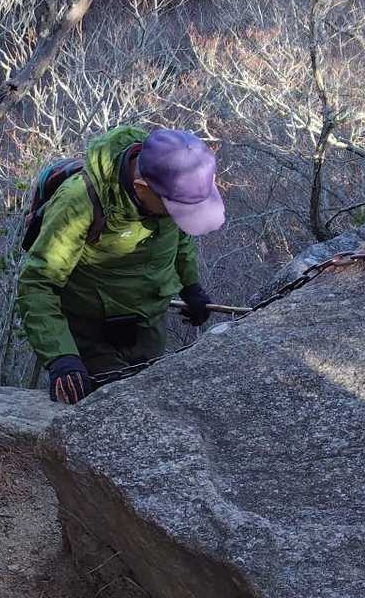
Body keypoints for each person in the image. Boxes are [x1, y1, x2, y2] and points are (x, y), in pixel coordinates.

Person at [18, 125, 226, 404]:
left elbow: (180, 237)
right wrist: (61, 356)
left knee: (153, 398)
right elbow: (38, 282)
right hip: (92, 334)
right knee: (121, 407)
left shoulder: (170, 188)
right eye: (177, 210)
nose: (180, 215)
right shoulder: (80, 200)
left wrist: (191, 286)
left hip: (148, 326)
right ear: (141, 187)